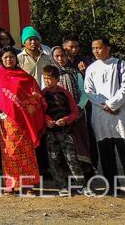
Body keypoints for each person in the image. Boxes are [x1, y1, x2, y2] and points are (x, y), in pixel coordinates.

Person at [84, 37, 125, 198]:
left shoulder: (119, 64)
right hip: (100, 115)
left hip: (119, 114)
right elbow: (89, 91)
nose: (96, 51)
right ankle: (112, 186)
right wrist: (104, 105)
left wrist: (112, 105)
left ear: (108, 48)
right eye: (93, 48)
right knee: (106, 153)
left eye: (99, 47)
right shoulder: (91, 68)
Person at [0, 46, 46, 193]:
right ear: (1, 59)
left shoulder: (24, 76)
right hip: (6, 121)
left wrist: (31, 106)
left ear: (16, 59)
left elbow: (35, 95)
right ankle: (12, 185)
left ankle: (28, 185)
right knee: (10, 152)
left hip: (24, 121)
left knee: (26, 153)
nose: (9, 59)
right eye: (5, 57)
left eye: (11, 57)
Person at [41, 65, 85, 194]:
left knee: (71, 158)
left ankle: (80, 185)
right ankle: (61, 186)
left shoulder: (65, 93)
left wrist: (66, 119)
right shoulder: (43, 94)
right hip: (51, 132)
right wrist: (47, 120)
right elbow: (40, 111)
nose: (47, 81)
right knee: (54, 159)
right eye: (45, 78)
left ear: (56, 79)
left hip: (66, 131)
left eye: (49, 78)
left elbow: (75, 112)